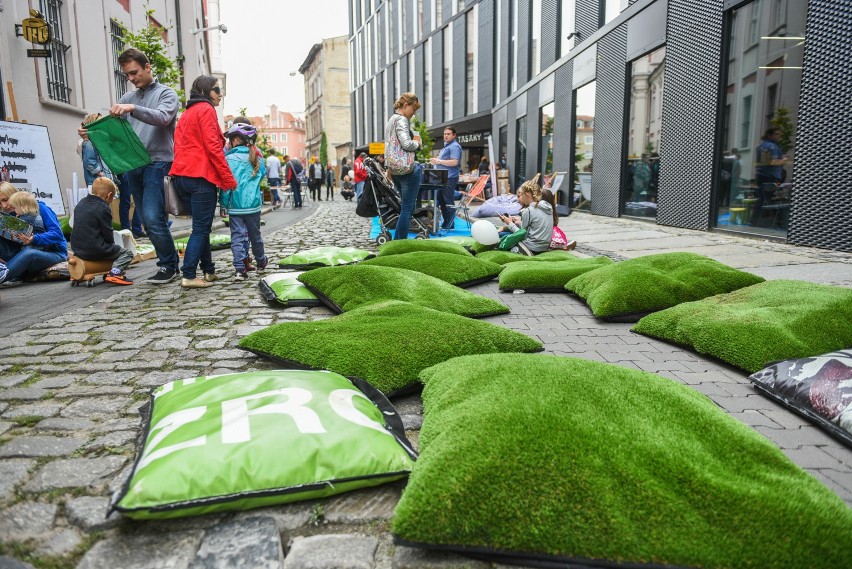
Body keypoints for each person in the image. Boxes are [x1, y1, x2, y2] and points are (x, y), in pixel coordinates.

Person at [101, 48, 180, 283]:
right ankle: (170, 263)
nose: (131, 78)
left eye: (134, 72)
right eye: (127, 75)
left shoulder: (167, 94)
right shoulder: (127, 98)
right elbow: (116, 133)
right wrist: (90, 132)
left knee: (154, 218)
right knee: (146, 221)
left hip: (159, 163)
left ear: (148, 67)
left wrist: (133, 109)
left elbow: (163, 118)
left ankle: (168, 266)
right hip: (134, 166)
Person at [169, 75, 237, 289]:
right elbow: (213, 148)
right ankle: (188, 274)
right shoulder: (206, 110)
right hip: (200, 176)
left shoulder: (187, 113)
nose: (220, 94)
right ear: (206, 91)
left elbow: (179, 146)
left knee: (202, 226)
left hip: (182, 176)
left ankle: (209, 271)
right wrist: (228, 179)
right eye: (217, 90)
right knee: (200, 228)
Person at [223, 124, 268, 280]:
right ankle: (261, 262)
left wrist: (223, 203)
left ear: (235, 141)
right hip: (253, 206)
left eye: (229, 140)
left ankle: (239, 269)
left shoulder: (228, 159)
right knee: (255, 236)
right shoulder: (257, 158)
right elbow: (262, 175)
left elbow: (226, 185)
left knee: (237, 237)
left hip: (235, 207)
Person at [0, 182, 68, 286]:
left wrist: (33, 239)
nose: (4, 205)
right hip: (23, 250)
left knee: (29, 253)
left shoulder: (39, 207)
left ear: (14, 195)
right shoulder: (11, 214)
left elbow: (57, 234)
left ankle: (6, 273)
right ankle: (14, 271)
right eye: (0, 203)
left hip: (52, 252)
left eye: (5, 200)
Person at [70, 178, 135, 285]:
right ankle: (115, 273)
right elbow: (108, 232)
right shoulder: (103, 208)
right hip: (95, 248)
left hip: (77, 249)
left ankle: (80, 272)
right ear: (109, 195)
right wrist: (112, 246)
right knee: (127, 253)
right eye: (112, 198)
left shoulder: (81, 203)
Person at [384, 93, 423, 240]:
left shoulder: (391, 120)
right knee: (408, 208)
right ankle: (399, 241)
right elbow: (406, 144)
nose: (413, 114)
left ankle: (398, 240)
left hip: (395, 169)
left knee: (405, 207)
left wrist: (388, 167)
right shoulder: (402, 120)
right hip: (408, 169)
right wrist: (418, 144)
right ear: (406, 105)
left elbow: (388, 147)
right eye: (413, 110)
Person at [497, 174, 555, 254]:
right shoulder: (547, 207)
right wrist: (519, 222)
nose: (519, 198)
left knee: (503, 241)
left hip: (531, 247)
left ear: (527, 194)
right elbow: (533, 228)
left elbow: (520, 234)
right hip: (543, 247)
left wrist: (509, 223)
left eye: (521, 195)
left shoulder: (528, 210)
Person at [429, 126, 463, 230]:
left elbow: (454, 162)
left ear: (454, 135)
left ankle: (450, 224)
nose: (446, 136)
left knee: (448, 201)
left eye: (448, 134)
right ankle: (446, 223)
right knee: (441, 200)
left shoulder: (454, 146)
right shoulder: (447, 146)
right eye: (445, 134)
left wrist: (438, 161)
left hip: (450, 177)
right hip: (443, 178)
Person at [751, 127, 786, 226]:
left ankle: (758, 221)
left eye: (780, 134)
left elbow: (762, 162)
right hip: (770, 176)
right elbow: (772, 162)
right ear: (769, 135)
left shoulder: (761, 146)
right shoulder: (772, 146)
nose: (779, 136)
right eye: (776, 134)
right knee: (765, 200)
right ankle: (755, 222)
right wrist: (785, 160)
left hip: (761, 175)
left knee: (764, 199)